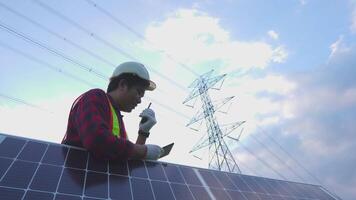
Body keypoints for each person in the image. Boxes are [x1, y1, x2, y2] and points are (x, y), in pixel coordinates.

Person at [62, 61, 163, 161]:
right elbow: (97, 140)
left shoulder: (115, 115)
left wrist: (143, 133)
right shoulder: (95, 96)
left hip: (90, 176)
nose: (140, 100)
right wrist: (144, 151)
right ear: (123, 85)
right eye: (139, 92)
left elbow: (125, 157)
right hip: (78, 175)